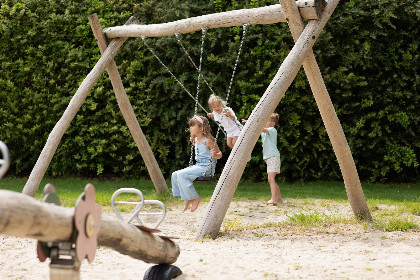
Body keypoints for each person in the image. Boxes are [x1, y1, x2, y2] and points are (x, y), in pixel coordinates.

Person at [171, 115, 222, 212]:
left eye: (192, 126)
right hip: (198, 166)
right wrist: (193, 136)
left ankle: (195, 198)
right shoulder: (195, 140)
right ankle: (187, 197)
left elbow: (220, 154)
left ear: (201, 128)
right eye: (190, 126)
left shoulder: (208, 141)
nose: (190, 128)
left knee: (182, 175)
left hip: (206, 169)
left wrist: (215, 154)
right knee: (175, 175)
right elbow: (194, 138)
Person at [242, 113, 283, 205]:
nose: (264, 123)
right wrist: (249, 123)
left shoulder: (272, 130)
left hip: (273, 157)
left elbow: (260, 129)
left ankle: (274, 199)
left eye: (266, 121)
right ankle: (279, 198)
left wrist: (252, 123)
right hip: (270, 157)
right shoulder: (265, 131)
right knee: (272, 179)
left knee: (271, 179)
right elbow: (257, 130)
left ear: (272, 123)